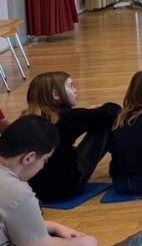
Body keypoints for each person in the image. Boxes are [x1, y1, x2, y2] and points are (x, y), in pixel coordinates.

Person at [0, 115, 142, 246]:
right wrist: (84, 243)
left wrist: (53, 226)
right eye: (45, 160)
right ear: (29, 158)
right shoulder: (17, 193)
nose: (42, 166)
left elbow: (13, 221)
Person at [23, 72, 121, 201]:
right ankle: (122, 166)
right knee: (106, 124)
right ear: (55, 95)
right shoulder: (70, 117)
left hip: (33, 188)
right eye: (71, 86)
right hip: (66, 187)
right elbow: (113, 111)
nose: (76, 90)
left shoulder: (25, 120)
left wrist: (87, 114)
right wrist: (95, 111)